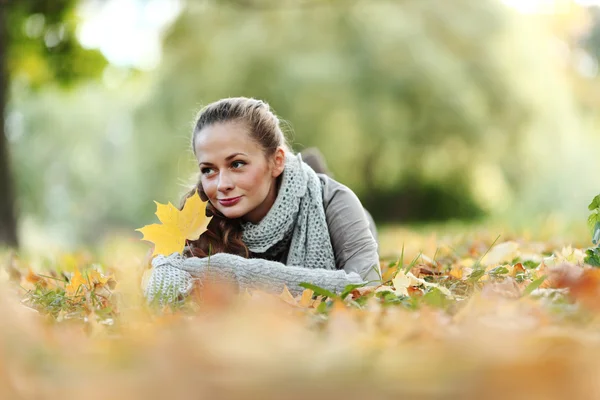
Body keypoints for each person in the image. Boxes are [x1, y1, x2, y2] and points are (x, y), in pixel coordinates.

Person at [144, 97, 381, 304]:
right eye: (208, 170)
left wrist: (232, 272)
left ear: (277, 161)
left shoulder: (335, 201)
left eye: (237, 164)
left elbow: (367, 286)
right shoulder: (195, 215)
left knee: (354, 212)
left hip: (344, 213)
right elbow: (155, 286)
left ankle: (313, 169)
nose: (221, 184)